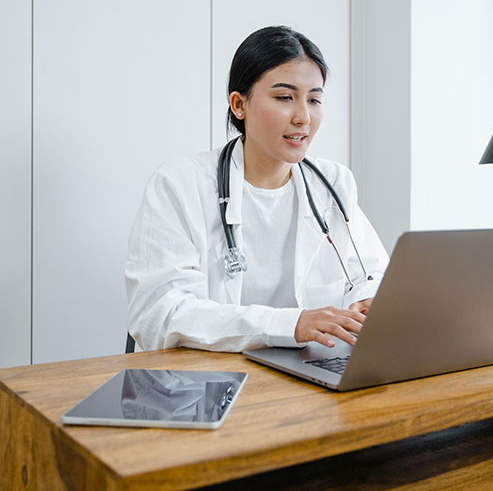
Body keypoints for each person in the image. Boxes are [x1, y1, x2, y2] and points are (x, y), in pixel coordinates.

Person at [125, 26, 389, 352]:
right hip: (202, 383)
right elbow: (160, 314)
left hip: (306, 372)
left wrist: (367, 301)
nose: (303, 117)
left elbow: (369, 273)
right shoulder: (180, 184)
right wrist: (287, 325)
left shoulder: (333, 183)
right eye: (284, 98)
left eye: (314, 99)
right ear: (239, 105)